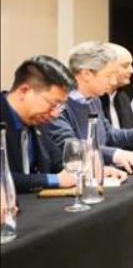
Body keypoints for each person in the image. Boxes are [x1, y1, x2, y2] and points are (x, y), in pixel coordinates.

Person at [1, 55, 126, 193]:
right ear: (24, 91)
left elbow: (56, 160)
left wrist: (87, 170)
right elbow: (4, 177)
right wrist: (55, 180)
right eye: (53, 104)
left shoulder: (38, 119)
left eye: (60, 106)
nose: (55, 114)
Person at [42, 41, 133, 174]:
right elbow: (72, 148)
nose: (113, 81)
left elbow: (108, 135)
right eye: (108, 75)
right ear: (86, 74)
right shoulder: (56, 104)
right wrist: (116, 154)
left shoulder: (94, 99)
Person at [100, 43, 133, 129]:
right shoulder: (93, 99)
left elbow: (129, 129)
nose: (132, 70)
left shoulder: (123, 97)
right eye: (125, 66)